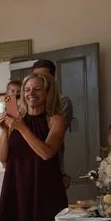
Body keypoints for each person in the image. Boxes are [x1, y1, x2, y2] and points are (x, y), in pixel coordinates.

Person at [0, 72, 68, 221]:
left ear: (48, 92)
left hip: (44, 189)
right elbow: (3, 157)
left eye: (37, 89)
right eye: (27, 90)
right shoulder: (16, 121)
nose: (30, 93)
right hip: (16, 187)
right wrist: (4, 131)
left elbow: (46, 153)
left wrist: (22, 128)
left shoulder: (56, 120)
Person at [30, 59, 73, 189]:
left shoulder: (62, 102)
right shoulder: (25, 104)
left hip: (50, 165)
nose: (40, 80)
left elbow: (52, 136)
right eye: (36, 76)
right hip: (27, 167)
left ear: (52, 79)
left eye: (44, 77)